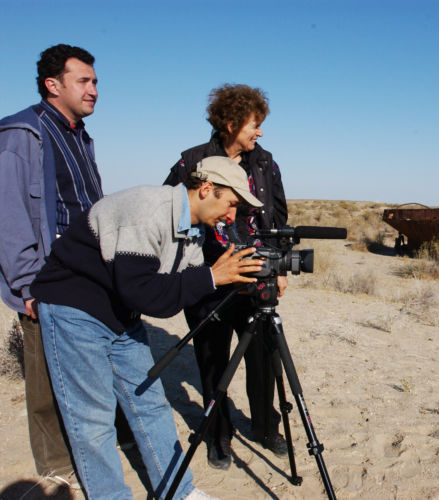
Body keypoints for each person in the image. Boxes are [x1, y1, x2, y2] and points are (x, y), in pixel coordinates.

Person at [30, 156, 265, 499]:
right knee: (93, 421)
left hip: (121, 315)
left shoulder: (193, 232)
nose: (232, 216)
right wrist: (212, 276)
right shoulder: (149, 209)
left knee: (150, 404)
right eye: (231, 203)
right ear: (206, 189)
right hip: (75, 308)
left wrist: (235, 287)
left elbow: (189, 293)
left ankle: (178, 490)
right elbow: (145, 294)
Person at [0, 43, 115, 489]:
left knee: (89, 366)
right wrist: (29, 286)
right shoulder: (20, 135)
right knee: (45, 381)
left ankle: (95, 446)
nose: (94, 90)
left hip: (87, 274)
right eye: (84, 81)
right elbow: (9, 219)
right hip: (46, 279)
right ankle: (55, 469)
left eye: (95, 81)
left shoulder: (78, 134)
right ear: (54, 84)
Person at [164, 84, 289, 470]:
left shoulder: (264, 162)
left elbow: (278, 218)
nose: (261, 133)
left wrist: (279, 267)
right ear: (231, 123)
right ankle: (218, 435)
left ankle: (265, 427)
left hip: (254, 278)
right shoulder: (192, 162)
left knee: (264, 357)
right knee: (213, 361)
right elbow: (168, 212)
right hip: (209, 280)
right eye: (255, 124)